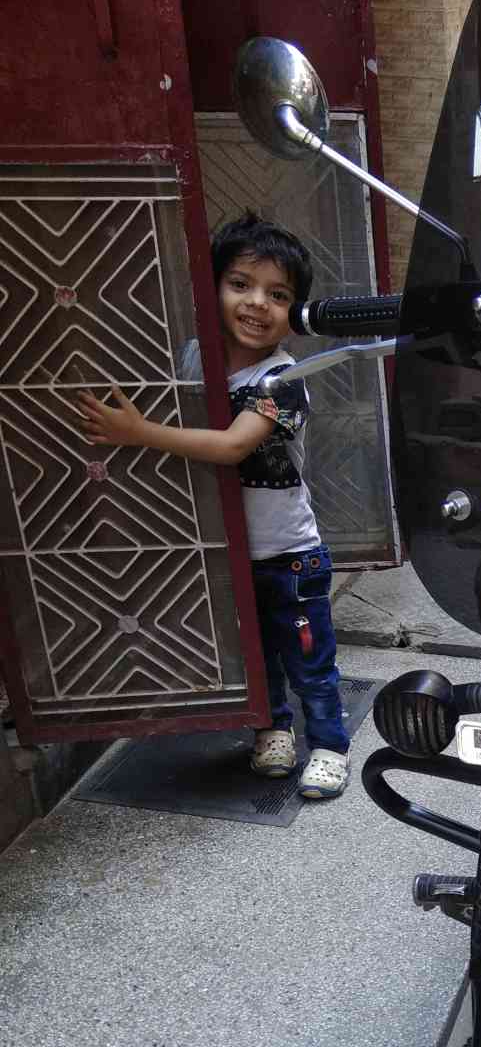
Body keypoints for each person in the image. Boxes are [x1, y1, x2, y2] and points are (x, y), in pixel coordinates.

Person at [74, 212, 350, 800]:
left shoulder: (284, 379)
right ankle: (272, 732)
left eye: (278, 295)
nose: (257, 304)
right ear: (211, 287)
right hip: (220, 550)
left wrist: (137, 433)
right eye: (240, 284)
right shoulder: (193, 359)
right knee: (253, 655)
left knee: (309, 658)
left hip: (288, 555)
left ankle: (329, 745)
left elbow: (231, 446)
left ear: (295, 311)